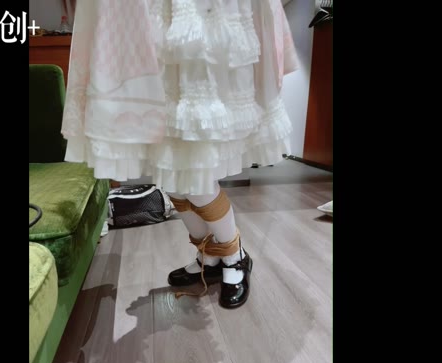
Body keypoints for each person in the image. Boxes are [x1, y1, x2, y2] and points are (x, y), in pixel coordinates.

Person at [61, 0, 300, 308]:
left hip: (204, 25)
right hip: (148, 22)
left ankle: (234, 254)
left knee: (195, 174)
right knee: (170, 175)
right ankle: (209, 255)